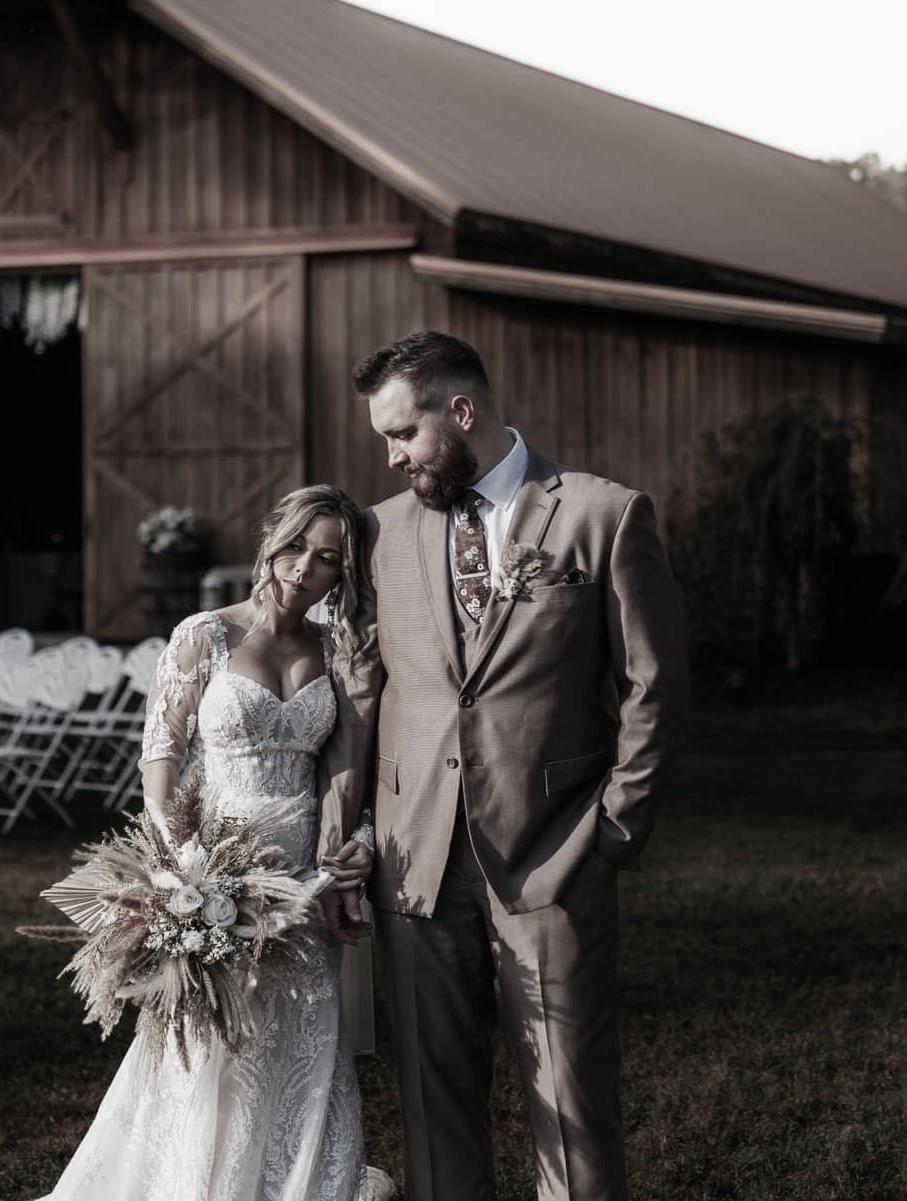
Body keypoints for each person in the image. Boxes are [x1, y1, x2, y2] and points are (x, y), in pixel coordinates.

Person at [317, 331, 690, 1201]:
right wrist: (346, 838)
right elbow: (360, 696)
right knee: (434, 1110)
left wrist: (615, 827)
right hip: (415, 863)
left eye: (402, 433)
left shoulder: (602, 515)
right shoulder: (380, 530)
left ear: (461, 411)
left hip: (556, 854)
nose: (391, 454)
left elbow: (655, 684)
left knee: (572, 1109)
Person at [34, 484, 395, 1201]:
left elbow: (351, 766)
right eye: (295, 547)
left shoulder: (338, 650)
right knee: (213, 1041)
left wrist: (355, 840)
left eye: (326, 559)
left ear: (343, 573)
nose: (303, 568)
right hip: (216, 865)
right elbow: (160, 758)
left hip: (303, 876)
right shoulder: (206, 635)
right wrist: (186, 868)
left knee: (301, 1039)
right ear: (270, 542)